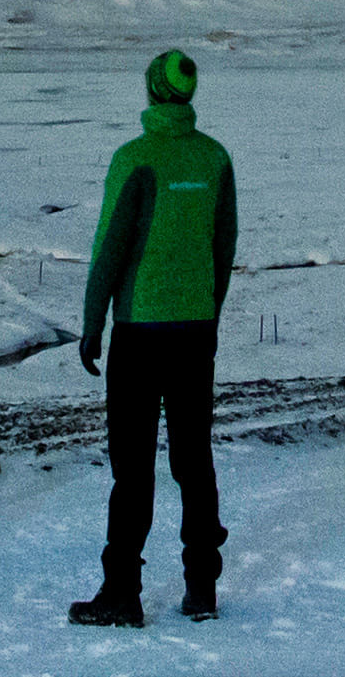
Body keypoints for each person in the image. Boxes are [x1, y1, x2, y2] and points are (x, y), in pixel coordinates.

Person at [69, 45, 238, 627]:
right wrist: (205, 312)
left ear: (150, 92)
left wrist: (93, 325)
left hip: (140, 331)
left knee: (132, 466)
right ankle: (201, 587)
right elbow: (225, 246)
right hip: (195, 331)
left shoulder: (134, 159)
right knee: (194, 457)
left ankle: (121, 592)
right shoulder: (216, 159)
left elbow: (109, 249)